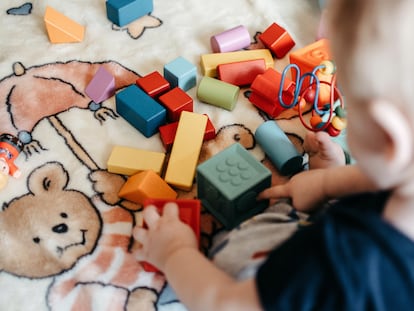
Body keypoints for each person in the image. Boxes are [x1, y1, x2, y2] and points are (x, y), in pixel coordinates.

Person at [133, 0, 414, 309]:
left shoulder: (337, 268)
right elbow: (386, 179)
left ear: (387, 137)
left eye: (351, 105)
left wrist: (174, 253)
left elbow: (227, 304)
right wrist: (325, 184)